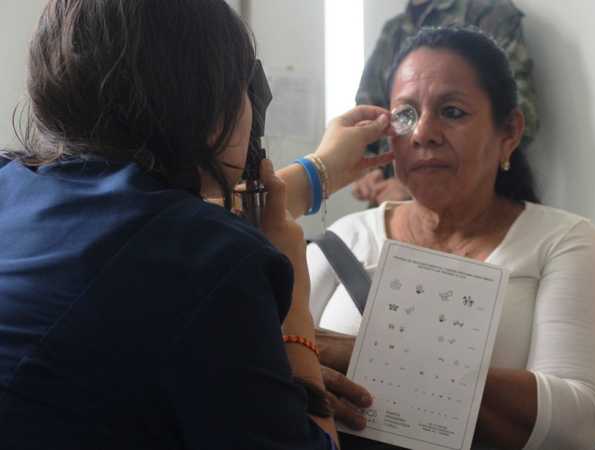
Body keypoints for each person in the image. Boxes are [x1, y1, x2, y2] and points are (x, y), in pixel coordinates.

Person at [0, 0, 392, 448]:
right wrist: (294, 320)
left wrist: (320, 169)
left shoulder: (11, 181)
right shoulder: (219, 261)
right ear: (216, 112)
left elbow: (135, 229)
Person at [308, 25, 595, 450]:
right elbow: (269, 367)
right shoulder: (342, 241)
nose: (422, 133)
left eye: (452, 112)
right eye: (405, 115)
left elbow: (579, 420)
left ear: (509, 133)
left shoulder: (561, 243)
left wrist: (350, 355)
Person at [351, 0, 539, 207]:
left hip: (473, 207)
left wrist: (419, 181)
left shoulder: (487, 12)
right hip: (389, 202)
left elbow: (518, 110)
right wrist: (370, 172)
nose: (421, 134)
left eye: (451, 112)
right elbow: (369, 108)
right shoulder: (394, 29)